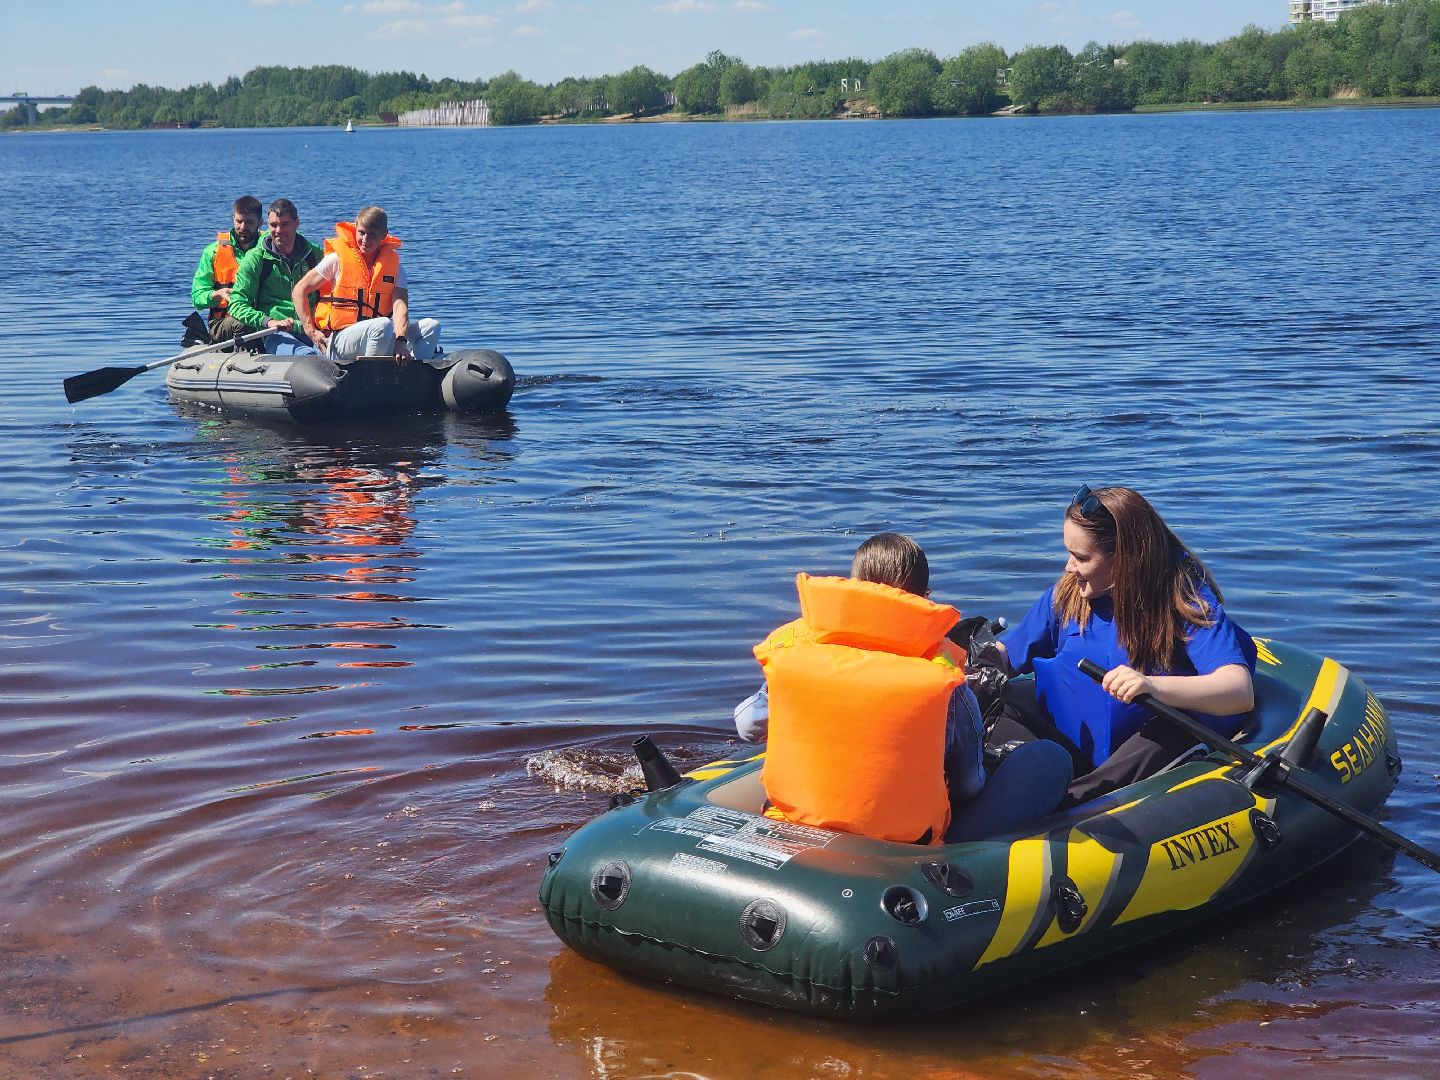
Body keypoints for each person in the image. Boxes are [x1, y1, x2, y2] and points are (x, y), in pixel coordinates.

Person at [738, 533, 1071, 845]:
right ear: (923, 598)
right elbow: (970, 785)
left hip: (792, 823)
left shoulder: (796, 648)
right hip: (902, 849)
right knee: (1052, 759)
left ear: (853, 587)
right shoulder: (941, 678)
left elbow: (747, 725)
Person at [996, 485, 1258, 806]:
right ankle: (1014, 779)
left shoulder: (1184, 599)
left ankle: (1073, 801)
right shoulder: (1069, 593)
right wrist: (963, 656)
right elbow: (1008, 654)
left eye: (1080, 557)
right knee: (1003, 700)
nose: (1068, 566)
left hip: (1140, 748)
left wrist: (1152, 686)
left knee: (1169, 734)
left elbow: (1239, 691)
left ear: (1124, 560)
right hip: (1072, 744)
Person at [290, 205, 442, 365]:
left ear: (383, 235)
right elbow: (300, 290)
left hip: (381, 334)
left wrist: (401, 341)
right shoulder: (336, 260)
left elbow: (400, 307)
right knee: (382, 325)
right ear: (356, 229)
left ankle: (410, 376)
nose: (365, 240)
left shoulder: (394, 267)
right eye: (361, 233)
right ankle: (371, 380)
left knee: (431, 327)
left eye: (372, 235)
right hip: (341, 340)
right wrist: (310, 331)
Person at [226, 198, 324, 355]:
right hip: (276, 334)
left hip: (313, 330)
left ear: (297, 223)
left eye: (285, 224)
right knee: (306, 356)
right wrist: (268, 322)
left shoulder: (316, 254)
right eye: (273, 225)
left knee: (334, 357)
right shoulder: (255, 258)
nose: (278, 230)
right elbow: (236, 304)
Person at [190, 195, 265, 342]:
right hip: (223, 322)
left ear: (260, 222)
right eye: (239, 221)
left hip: (263, 319)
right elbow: (197, 298)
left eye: (249, 222)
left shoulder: (270, 248)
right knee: (245, 323)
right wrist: (218, 294)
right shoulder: (213, 252)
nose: (243, 227)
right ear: (233, 219)